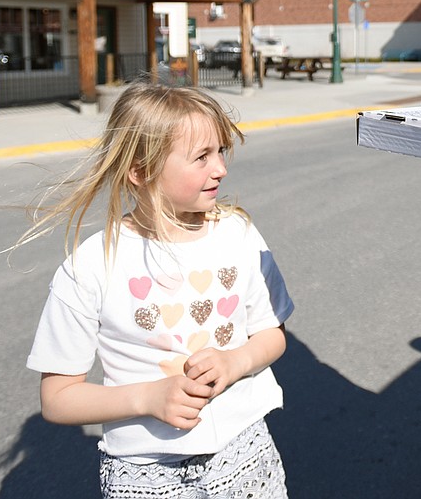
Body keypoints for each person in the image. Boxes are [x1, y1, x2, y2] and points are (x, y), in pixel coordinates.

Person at [18, 81, 294, 498]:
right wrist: (148, 398)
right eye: (201, 156)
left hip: (246, 453)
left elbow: (272, 333)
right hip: (145, 473)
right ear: (141, 170)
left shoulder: (239, 235)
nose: (220, 168)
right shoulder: (91, 265)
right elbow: (58, 398)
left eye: (220, 151)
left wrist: (236, 361)